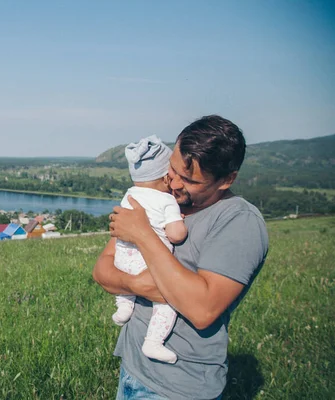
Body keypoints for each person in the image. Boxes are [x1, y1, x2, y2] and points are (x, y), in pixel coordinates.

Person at [93, 115, 269, 400]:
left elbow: (201, 310)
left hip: (178, 386)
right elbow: (102, 271)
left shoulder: (239, 222)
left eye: (188, 179)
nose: (173, 183)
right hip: (133, 368)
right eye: (171, 169)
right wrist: (142, 285)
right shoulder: (160, 202)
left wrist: (143, 235)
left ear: (227, 180)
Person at [113, 135, 187, 366]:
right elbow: (176, 235)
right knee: (166, 303)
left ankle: (124, 306)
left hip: (122, 258)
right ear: (166, 177)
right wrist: (179, 223)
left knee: (126, 279)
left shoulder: (129, 194)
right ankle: (154, 342)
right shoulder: (167, 201)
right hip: (148, 262)